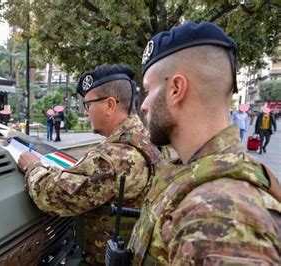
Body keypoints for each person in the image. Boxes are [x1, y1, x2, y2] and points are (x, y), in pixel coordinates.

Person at [129, 22, 281, 265]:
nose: (144, 104)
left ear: (175, 89)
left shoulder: (220, 216)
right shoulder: (194, 173)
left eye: (148, 89)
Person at [17, 64, 164, 264]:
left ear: (110, 105)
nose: (86, 113)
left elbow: (53, 196)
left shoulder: (114, 157)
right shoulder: (145, 138)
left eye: (88, 105)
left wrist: (31, 167)